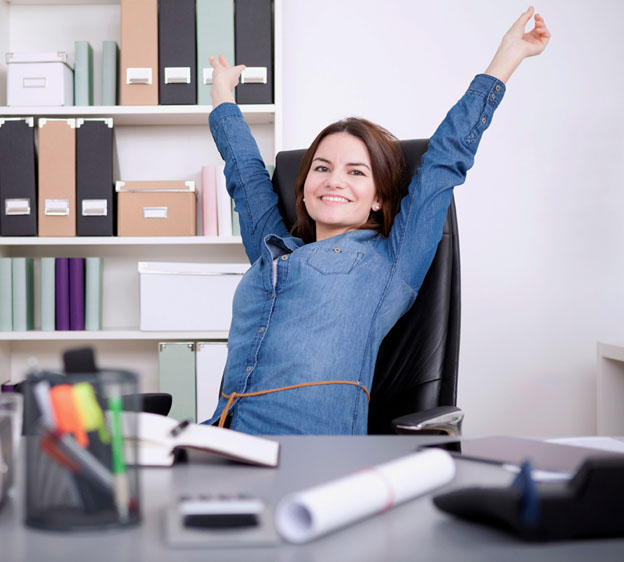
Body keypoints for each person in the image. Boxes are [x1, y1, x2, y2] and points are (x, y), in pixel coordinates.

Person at [203, 7, 550, 434]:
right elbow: (245, 175)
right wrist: (222, 94)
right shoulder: (273, 249)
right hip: (219, 440)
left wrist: (506, 58)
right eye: (322, 168)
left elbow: (443, 161)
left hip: (305, 454)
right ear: (304, 183)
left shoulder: (388, 262)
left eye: (356, 172)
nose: (334, 181)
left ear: (378, 198)